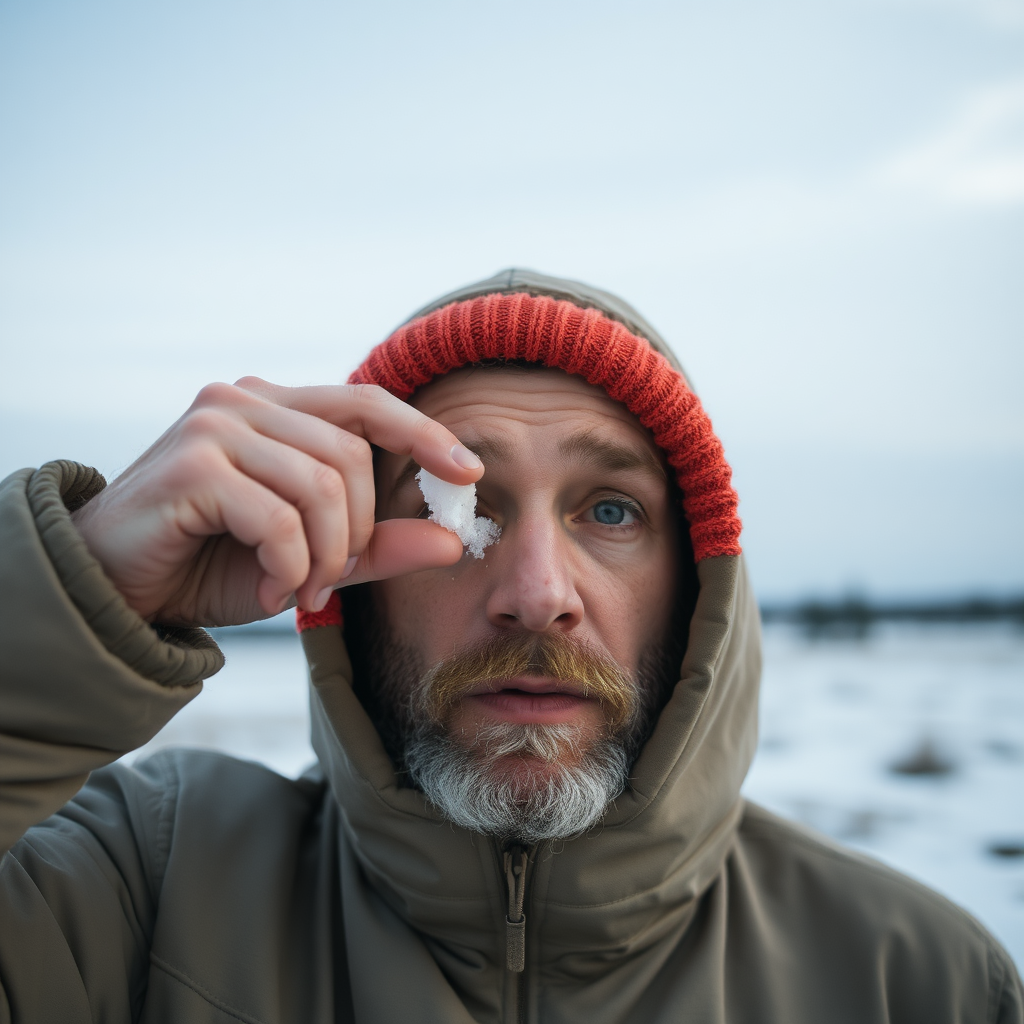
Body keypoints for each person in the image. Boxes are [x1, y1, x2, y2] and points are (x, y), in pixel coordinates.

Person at [0, 269, 1019, 1023]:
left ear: (698, 591)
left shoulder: (915, 981)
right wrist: (67, 596)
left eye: (610, 510)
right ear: (348, 592)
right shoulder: (138, 886)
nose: (536, 597)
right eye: (461, 510)